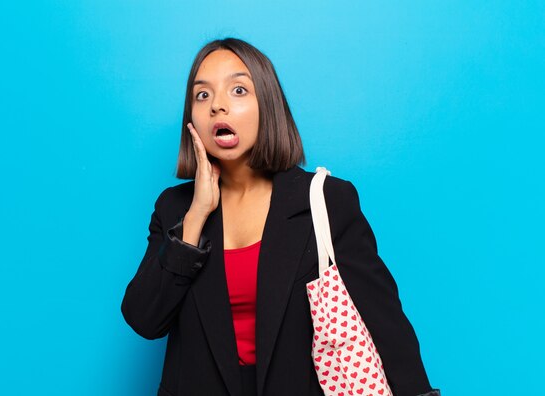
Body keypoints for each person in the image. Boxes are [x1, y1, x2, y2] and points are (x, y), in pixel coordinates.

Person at [121, 37, 439, 396]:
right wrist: (196, 217)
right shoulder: (175, 208)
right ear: (190, 118)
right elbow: (145, 319)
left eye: (238, 90)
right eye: (202, 95)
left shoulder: (326, 201)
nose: (218, 107)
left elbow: (386, 324)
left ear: (267, 106)